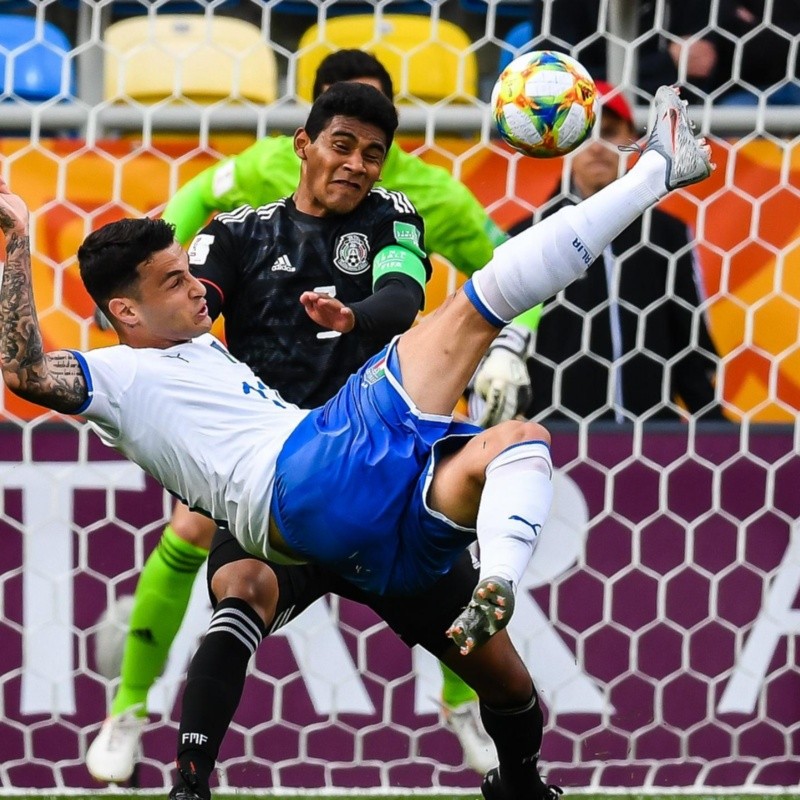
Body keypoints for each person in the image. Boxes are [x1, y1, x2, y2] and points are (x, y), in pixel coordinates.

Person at [0, 83, 713, 800]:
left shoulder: (204, 346)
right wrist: (17, 240)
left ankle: (514, 736)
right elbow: (24, 370)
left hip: (371, 517)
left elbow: (395, 295)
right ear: (125, 310)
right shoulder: (119, 372)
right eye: (175, 281)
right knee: (475, 310)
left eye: (189, 275)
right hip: (310, 467)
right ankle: (657, 172)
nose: (196, 291)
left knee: (517, 464)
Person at [86, 53, 504, 783]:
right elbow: (189, 266)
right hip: (261, 451)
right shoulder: (244, 202)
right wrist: (145, 307)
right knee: (201, 544)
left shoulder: (417, 201)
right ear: (306, 139)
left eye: (378, 145)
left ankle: (473, 711)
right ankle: (135, 714)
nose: (360, 160)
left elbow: (475, 277)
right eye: (344, 138)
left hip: (368, 442)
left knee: (459, 566)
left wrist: (508, 346)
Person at [496, 81, 723, 423]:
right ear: (563, 143)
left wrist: (715, 435)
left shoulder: (667, 236)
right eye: (585, 134)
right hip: (553, 442)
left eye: (610, 132)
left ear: (634, 139)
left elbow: (689, 345)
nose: (598, 147)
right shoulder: (529, 237)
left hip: (652, 441)